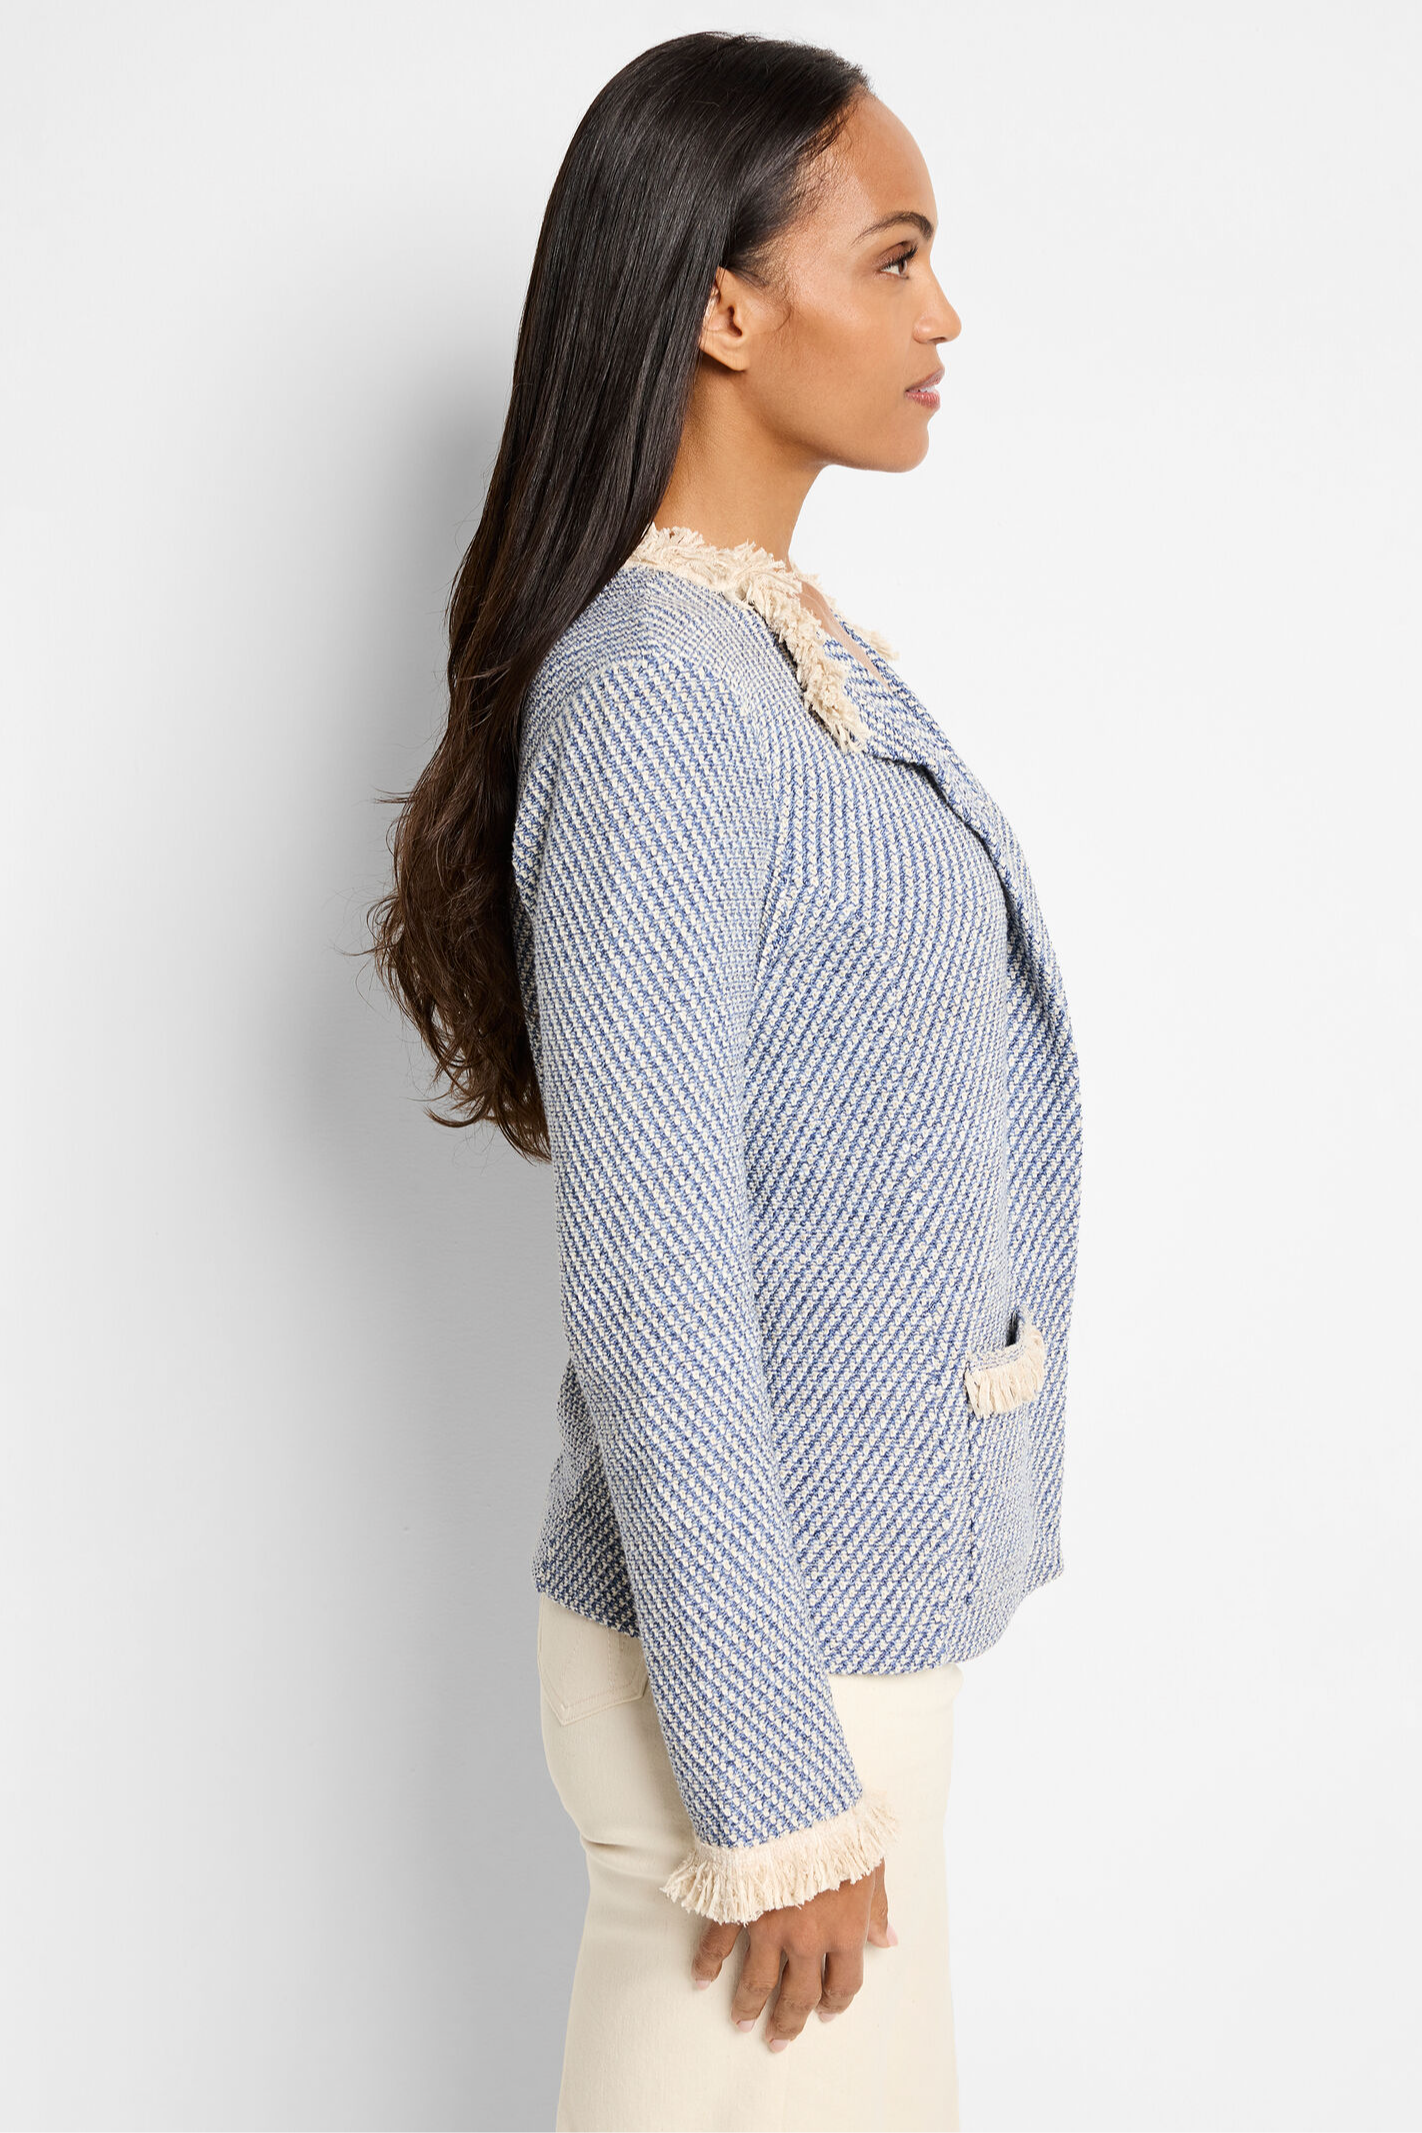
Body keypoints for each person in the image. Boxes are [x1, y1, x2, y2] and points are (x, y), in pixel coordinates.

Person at [368, 30, 1083, 2132]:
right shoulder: (663, 696)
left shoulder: (774, 650)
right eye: (896, 255)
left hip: (842, 1626)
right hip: (762, 1687)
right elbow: (654, 1273)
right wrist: (771, 1778)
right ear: (724, 307)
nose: (944, 316)